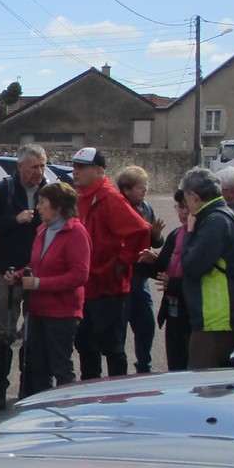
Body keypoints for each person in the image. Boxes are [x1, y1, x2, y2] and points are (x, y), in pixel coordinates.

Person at [70, 147, 150, 380]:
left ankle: (117, 391)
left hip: (108, 287)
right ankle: (90, 388)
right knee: (85, 343)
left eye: (81, 167)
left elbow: (140, 230)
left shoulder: (109, 198)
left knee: (111, 345)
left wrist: (123, 261)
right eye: (75, 166)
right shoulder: (81, 195)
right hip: (87, 285)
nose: (75, 171)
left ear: (98, 170)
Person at [0, 144, 47, 409]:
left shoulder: (48, 190)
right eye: (34, 167)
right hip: (7, 271)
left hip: (38, 273)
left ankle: (28, 389)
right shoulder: (3, 190)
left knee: (32, 334)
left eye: (42, 166)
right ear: (19, 167)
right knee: (5, 333)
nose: (39, 172)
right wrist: (14, 220)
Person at [6, 182, 90, 396]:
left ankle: (66, 408)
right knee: (38, 367)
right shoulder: (43, 229)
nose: (38, 207)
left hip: (62, 313)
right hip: (37, 310)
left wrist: (39, 283)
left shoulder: (76, 233)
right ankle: (42, 408)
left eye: (42, 202)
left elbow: (80, 275)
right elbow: (36, 265)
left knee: (61, 366)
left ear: (58, 206)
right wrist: (19, 276)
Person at [178, 168, 234, 369]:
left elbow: (191, 265)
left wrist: (189, 232)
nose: (185, 205)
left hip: (216, 320)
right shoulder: (221, 216)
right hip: (219, 318)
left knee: (204, 381)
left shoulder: (214, 221)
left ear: (194, 196)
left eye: (186, 198)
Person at [116, 166, 165, 373]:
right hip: (123, 278)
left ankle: (144, 366)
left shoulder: (146, 208)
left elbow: (156, 242)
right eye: (140, 187)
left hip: (141, 278)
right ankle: (119, 370)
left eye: (145, 186)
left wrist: (156, 234)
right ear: (127, 190)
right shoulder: (118, 208)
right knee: (119, 328)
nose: (145, 190)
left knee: (146, 325)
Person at [137, 190, 192, 371]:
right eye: (180, 207)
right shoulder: (175, 234)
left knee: (191, 369)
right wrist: (151, 262)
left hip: (193, 315)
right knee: (176, 368)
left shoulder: (202, 236)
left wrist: (173, 283)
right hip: (173, 311)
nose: (184, 212)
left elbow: (199, 276)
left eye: (187, 207)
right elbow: (162, 269)